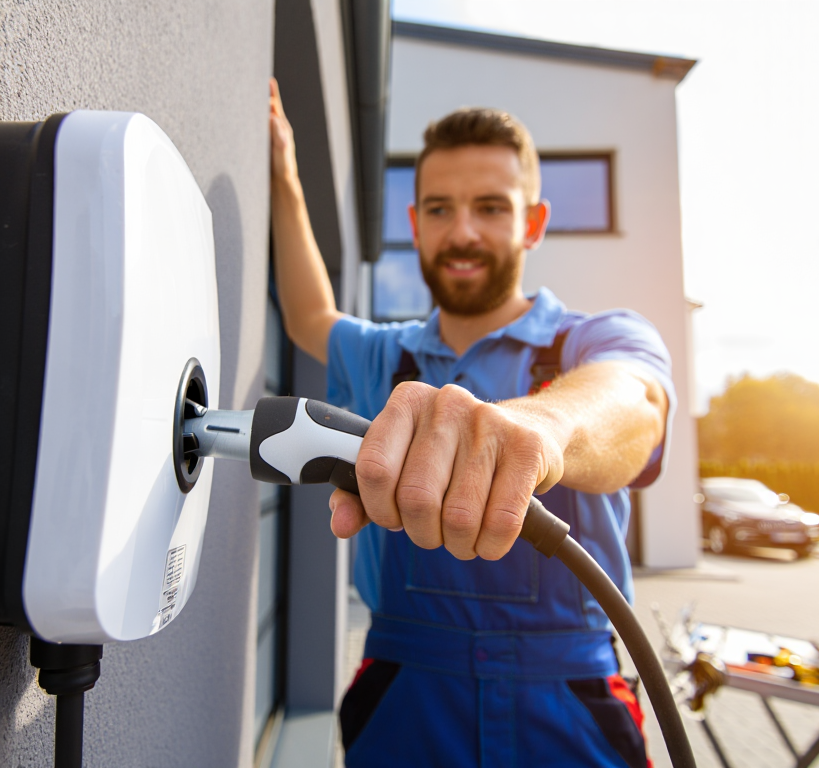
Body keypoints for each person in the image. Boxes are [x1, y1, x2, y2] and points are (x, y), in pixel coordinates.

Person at [269, 79, 675, 768]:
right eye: (440, 209)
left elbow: (636, 404)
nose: (462, 232)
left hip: (567, 696)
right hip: (405, 693)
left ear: (534, 223)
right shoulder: (383, 356)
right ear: (415, 223)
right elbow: (310, 317)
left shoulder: (593, 342)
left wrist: (542, 430)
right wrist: (282, 176)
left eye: (491, 207)